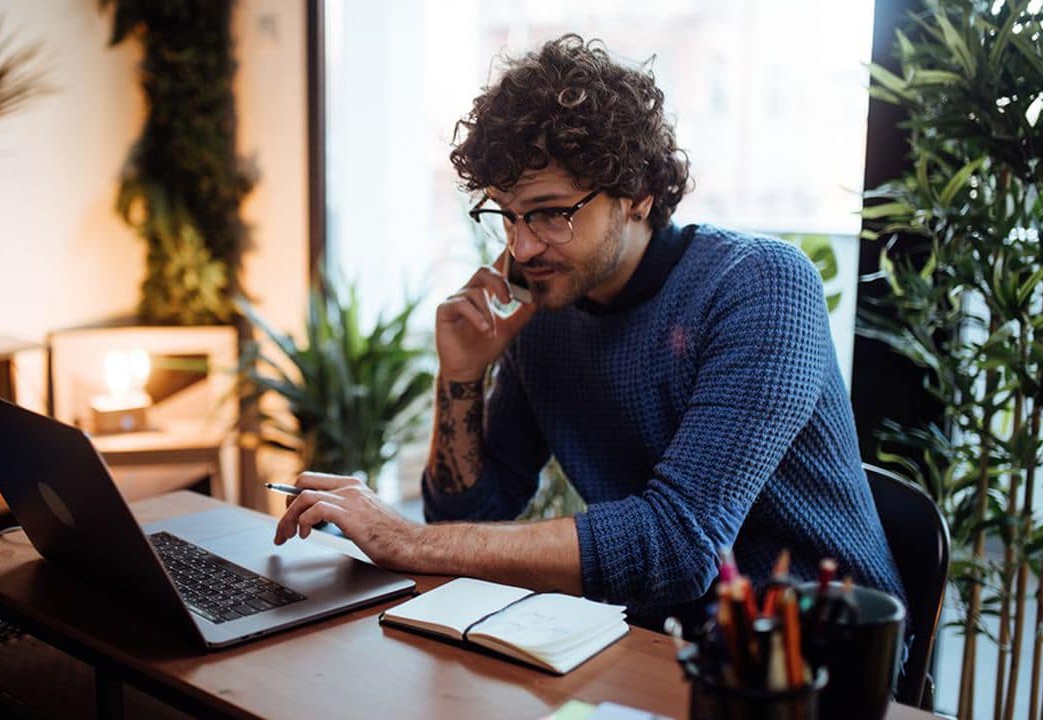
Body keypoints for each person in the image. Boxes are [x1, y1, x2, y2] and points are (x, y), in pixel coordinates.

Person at [273, 34, 905, 629]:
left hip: (822, 649)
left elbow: (679, 543)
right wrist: (462, 374)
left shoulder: (759, 285)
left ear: (639, 193)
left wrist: (404, 535)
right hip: (653, 639)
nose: (521, 247)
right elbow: (470, 517)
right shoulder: (543, 311)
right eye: (507, 215)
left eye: (550, 213)